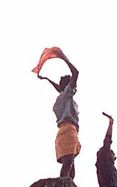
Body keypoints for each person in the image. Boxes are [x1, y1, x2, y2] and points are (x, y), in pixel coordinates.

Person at [37, 49, 80, 178]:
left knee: (70, 166)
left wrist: (47, 79)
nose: (75, 86)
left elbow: (59, 88)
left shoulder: (62, 98)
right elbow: (76, 73)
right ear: (68, 86)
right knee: (68, 163)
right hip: (68, 130)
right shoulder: (66, 95)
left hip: (65, 131)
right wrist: (64, 58)